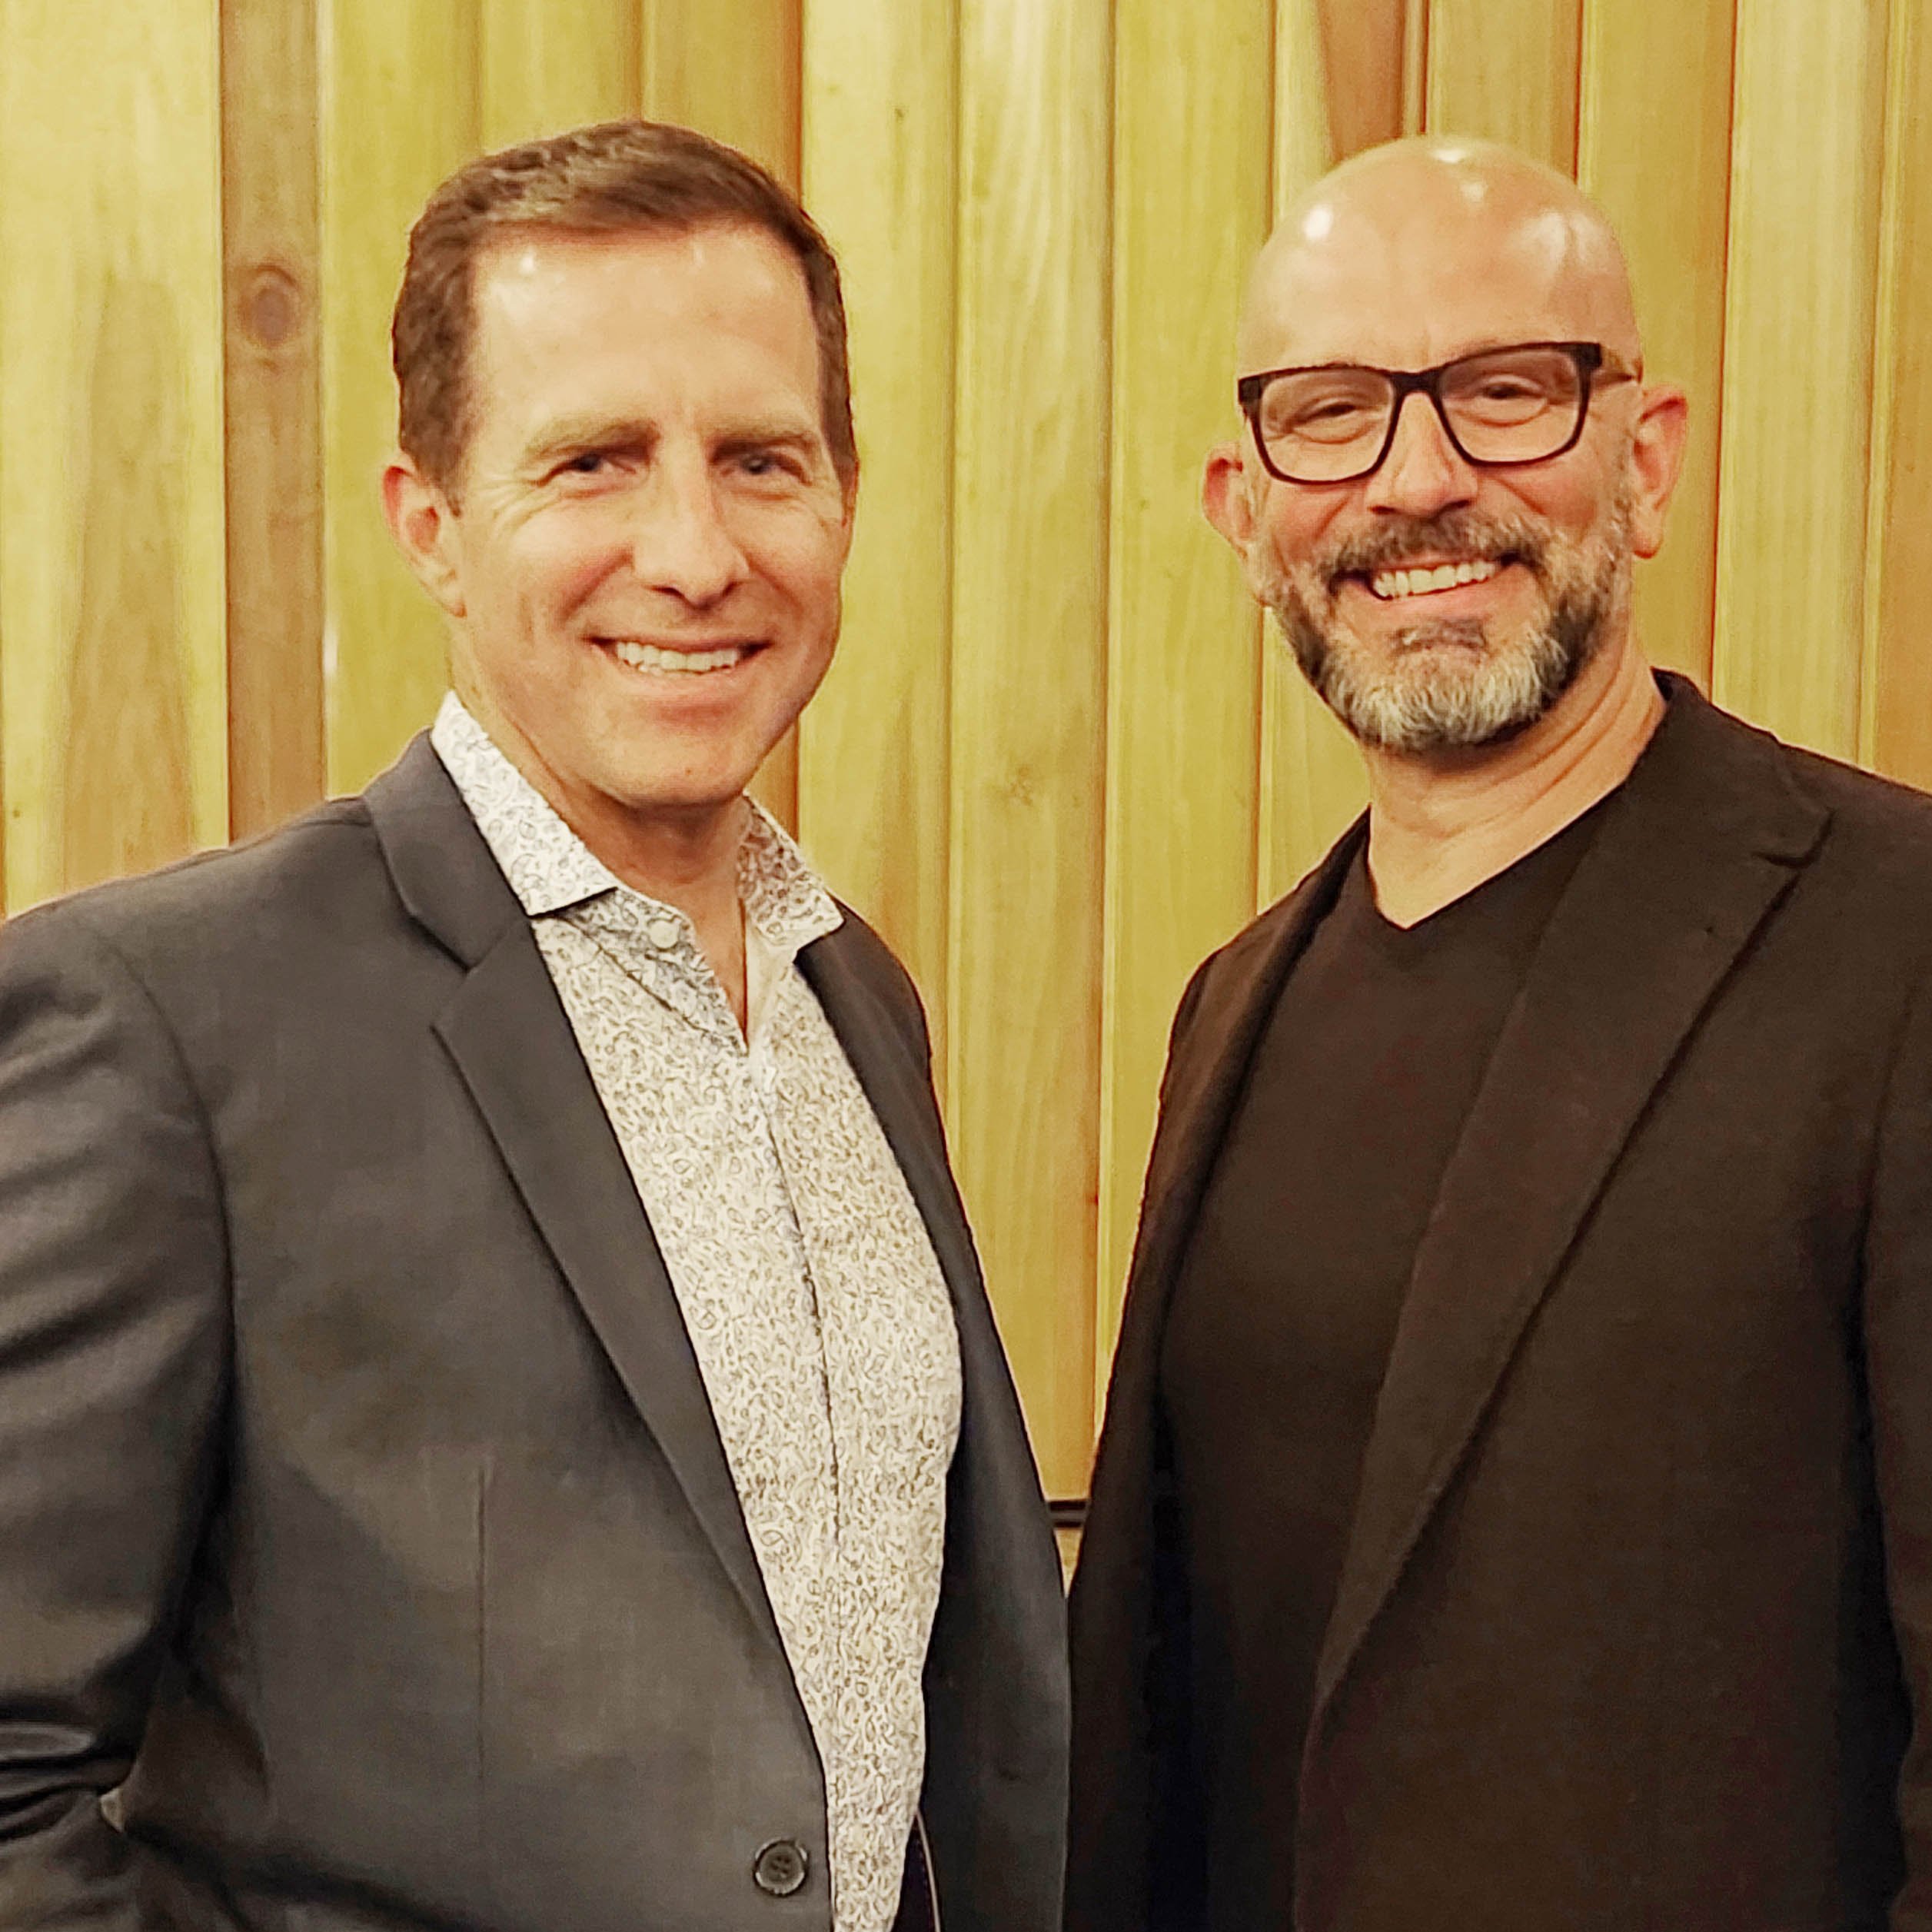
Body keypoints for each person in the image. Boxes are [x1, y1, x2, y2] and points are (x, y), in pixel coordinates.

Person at [0, 120, 1066, 1932]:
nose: (695, 552)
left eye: (760, 461)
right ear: (431, 523)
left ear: (844, 500)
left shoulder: (856, 997)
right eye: (593, 462)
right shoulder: (168, 1025)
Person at [1067, 135, 1932, 1932]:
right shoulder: (1233, 1006)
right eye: (1332, 414)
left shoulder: (1898, 941)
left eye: (1507, 391)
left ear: (1648, 458)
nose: (1420, 479)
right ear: (1246, 513)